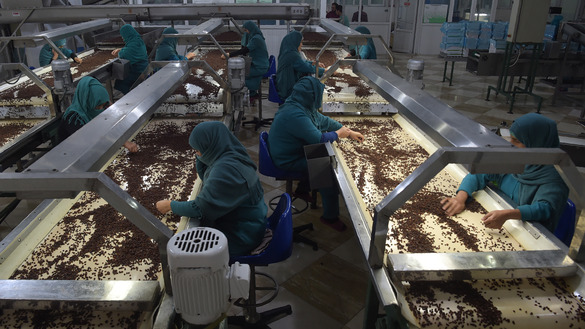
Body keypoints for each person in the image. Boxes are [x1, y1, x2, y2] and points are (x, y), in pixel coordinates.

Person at [441, 113, 569, 232]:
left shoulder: (555, 176)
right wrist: (460, 198)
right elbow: (481, 173)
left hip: (528, 233)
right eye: (511, 139)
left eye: (517, 141)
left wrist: (509, 214)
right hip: (503, 222)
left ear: (536, 143)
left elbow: (544, 209)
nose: (511, 145)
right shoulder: (516, 159)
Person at [156, 121, 268, 257]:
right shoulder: (231, 153)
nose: (196, 154)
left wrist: (170, 205)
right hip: (252, 223)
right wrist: (201, 156)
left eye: (197, 150)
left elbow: (200, 209)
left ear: (211, 147)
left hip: (243, 236)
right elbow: (206, 178)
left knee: (186, 254)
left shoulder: (226, 171)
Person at [268, 76, 365, 232]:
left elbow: (323, 120)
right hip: (286, 159)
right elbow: (319, 139)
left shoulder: (301, 105)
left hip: (293, 151)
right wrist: (338, 134)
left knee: (320, 155)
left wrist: (348, 131)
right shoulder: (295, 114)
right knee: (325, 167)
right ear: (312, 95)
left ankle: (302, 190)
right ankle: (330, 217)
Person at [58, 76, 139, 152]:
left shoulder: (93, 109)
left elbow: (113, 114)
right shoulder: (73, 119)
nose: (101, 109)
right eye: (98, 106)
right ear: (87, 102)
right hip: (71, 155)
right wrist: (123, 142)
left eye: (103, 105)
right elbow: (91, 139)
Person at [220, 21, 269, 104]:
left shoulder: (256, 38)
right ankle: (252, 94)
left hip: (260, 66)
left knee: (240, 75)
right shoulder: (254, 36)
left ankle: (240, 98)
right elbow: (245, 50)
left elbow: (246, 50)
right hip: (257, 64)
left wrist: (229, 55)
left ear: (251, 29)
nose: (246, 33)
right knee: (242, 73)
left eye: (247, 30)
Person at [275, 30, 326, 101]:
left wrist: (312, 63)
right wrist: (325, 71)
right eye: (301, 42)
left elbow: (300, 63)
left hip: (282, 83)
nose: (301, 45)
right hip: (287, 89)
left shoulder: (287, 51)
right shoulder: (292, 55)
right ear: (295, 42)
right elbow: (306, 68)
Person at [111, 24, 149, 94]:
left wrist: (119, 52)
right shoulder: (138, 40)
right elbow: (129, 49)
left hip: (138, 71)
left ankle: (132, 97)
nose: (122, 38)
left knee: (120, 83)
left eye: (123, 36)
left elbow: (123, 54)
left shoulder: (133, 45)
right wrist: (121, 49)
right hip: (145, 68)